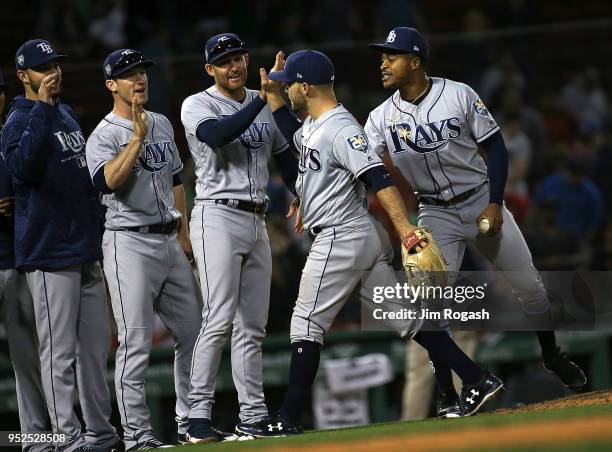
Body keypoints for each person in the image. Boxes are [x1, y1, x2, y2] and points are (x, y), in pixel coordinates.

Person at [247, 49, 504, 435]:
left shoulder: (341, 127)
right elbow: (293, 136)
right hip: (355, 235)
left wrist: (404, 229)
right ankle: (476, 378)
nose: (286, 90)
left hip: (341, 233)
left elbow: (378, 178)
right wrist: (272, 97)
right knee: (407, 318)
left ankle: (287, 418)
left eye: (289, 85)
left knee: (306, 323)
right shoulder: (315, 124)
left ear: (304, 86)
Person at [364, 27, 587, 415]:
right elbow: (362, 162)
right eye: (383, 55)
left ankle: (552, 355)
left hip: (479, 200)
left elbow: (496, 146)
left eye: (392, 55)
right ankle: (447, 392)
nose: (383, 62)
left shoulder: (459, 93)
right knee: (430, 306)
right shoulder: (380, 117)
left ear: (414, 61)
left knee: (531, 288)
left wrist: (496, 202)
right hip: (434, 212)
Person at [0, 39, 120, 451]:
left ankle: (101, 435)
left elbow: (82, 179)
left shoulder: (66, 113)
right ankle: (65, 440)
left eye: (55, 64)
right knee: (59, 357)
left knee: (93, 355)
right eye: (42, 67)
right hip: (48, 253)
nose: (53, 72)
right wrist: (44, 110)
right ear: (23, 77)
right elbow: (21, 169)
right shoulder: (19, 120)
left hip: (84, 247)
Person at [180, 33, 298, 443]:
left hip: (257, 219)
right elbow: (217, 135)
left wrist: (299, 190)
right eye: (224, 60)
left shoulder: (261, 100)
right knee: (217, 319)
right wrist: (263, 101)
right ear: (210, 68)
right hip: (216, 217)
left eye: (238, 57)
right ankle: (196, 417)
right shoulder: (197, 103)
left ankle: (253, 415)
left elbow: (287, 152)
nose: (234, 65)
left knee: (253, 326)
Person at [85, 48, 203, 450]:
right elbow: (108, 183)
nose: (139, 79)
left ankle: (191, 421)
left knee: (195, 333)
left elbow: (174, 181)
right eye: (128, 73)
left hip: (168, 238)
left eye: (141, 71)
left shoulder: (163, 123)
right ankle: (137, 434)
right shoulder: (102, 135)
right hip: (127, 242)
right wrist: (135, 139)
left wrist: (184, 235)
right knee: (135, 342)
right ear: (111, 85)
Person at [0, 69, 54, 452]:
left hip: (13, 258)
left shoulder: (14, 133)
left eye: (0, 91)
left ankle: (36, 440)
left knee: (28, 361)